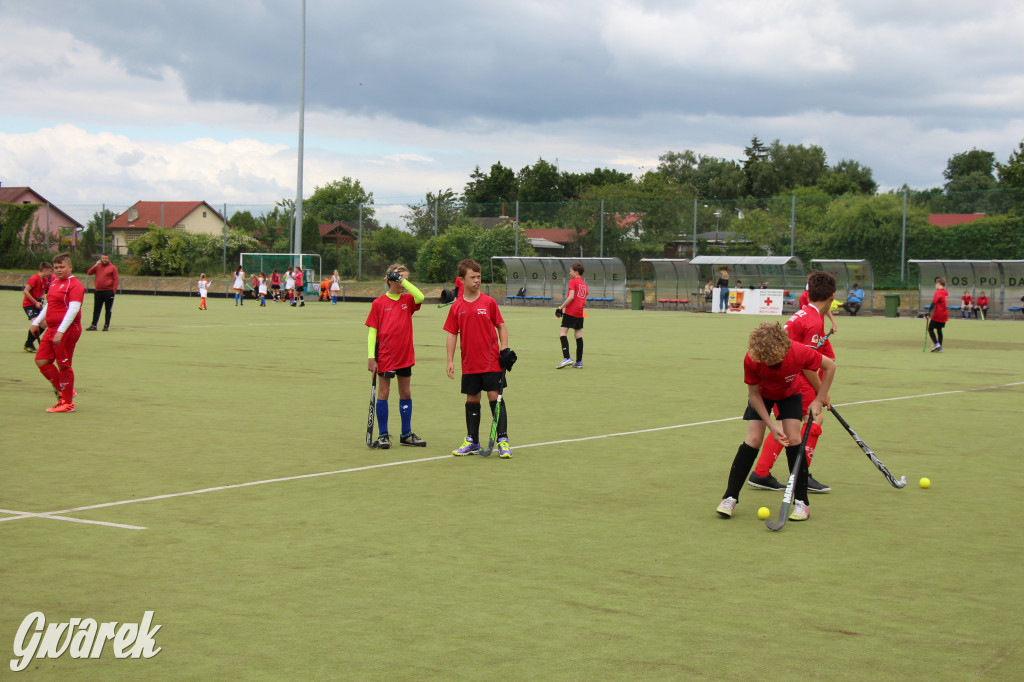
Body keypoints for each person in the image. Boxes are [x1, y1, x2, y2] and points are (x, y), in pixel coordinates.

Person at [716, 321, 836, 521]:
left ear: (784, 349)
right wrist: (771, 426)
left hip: (789, 394)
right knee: (753, 439)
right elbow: (754, 395)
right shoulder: (752, 358)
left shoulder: (798, 351)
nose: (769, 364)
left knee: (794, 437)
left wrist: (818, 399)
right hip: (762, 395)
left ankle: (801, 503)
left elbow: (830, 366)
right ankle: (729, 497)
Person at [748, 270, 838, 494]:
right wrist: (821, 395)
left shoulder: (804, 312)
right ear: (832, 297)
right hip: (792, 376)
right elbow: (808, 365)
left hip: (781, 373)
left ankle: (762, 473)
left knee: (794, 423)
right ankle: (799, 476)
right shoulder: (814, 322)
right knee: (811, 420)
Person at [444, 259, 514, 459]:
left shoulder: (489, 302)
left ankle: (503, 440)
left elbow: (501, 325)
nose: (477, 281)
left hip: (491, 361)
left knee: (495, 397)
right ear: (462, 280)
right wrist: (450, 360)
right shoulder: (456, 307)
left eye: (479, 277)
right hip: (469, 363)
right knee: (472, 399)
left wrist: (504, 350)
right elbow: (451, 334)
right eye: (472, 277)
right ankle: (473, 441)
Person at [365, 264, 427, 449]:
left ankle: (406, 434)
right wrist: (371, 357)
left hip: (405, 355)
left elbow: (420, 296)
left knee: (405, 393)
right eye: (401, 279)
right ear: (390, 280)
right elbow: (372, 332)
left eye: (406, 280)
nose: (404, 283)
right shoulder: (379, 303)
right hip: (385, 356)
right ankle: (383, 434)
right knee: (384, 394)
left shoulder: (408, 300)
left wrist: (404, 281)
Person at [29, 253, 86, 413]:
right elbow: (49, 305)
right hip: (52, 329)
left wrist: (61, 331)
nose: (59, 270)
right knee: (41, 361)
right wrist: (36, 323)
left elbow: (73, 309)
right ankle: (67, 390)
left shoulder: (74, 285)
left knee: (64, 365)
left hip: (67, 330)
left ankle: (67, 403)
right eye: (57, 267)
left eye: (62, 267)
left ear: (70, 267)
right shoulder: (54, 283)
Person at [556, 262, 587, 369]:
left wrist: (561, 307)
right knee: (578, 334)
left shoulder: (573, 281)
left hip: (571, 311)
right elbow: (584, 300)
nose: (570, 273)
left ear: (576, 272)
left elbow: (571, 297)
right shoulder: (584, 284)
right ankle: (579, 361)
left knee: (562, 333)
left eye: (571, 271)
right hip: (580, 312)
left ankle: (567, 358)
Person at [22, 261, 53, 352]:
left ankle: (29, 343)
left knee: (44, 323)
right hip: (29, 305)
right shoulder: (34, 278)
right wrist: (35, 302)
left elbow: (42, 291)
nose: (51, 274)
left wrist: (42, 297)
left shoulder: (45, 280)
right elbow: (25, 291)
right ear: (44, 270)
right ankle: (28, 344)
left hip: (37, 305)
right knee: (36, 322)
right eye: (50, 271)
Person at [86, 253, 119, 331]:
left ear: (108, 259)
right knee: (96, 309)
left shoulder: (113, 267)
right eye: (103, 258)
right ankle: (94, 325)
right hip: (98, 292)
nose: (104, 260)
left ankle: (106, 325)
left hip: (108, 292)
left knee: (108, 310)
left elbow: (116, 279)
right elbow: (89, 273)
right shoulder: (97, 267)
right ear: (101, 259)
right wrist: (95, 265)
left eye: (106, 258)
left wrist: (113, 291)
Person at [927, 278, 949, 352]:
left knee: (930, 329)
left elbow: (934, 303)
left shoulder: (938, 292)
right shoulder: (946, 292)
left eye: (936, 284)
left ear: (938, 284)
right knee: (939, 329)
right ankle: (940, 347)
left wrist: (928, 312)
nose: (935, 286)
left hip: (938, 314)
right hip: (944, 314)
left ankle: (936, 344)